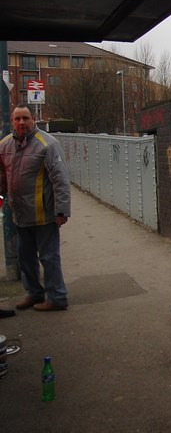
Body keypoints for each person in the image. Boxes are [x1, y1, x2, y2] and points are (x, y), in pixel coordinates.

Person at [0, 104, 71, 312]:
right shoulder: (4, 145)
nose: (21, 123)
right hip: (19, 214)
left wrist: (62, 210)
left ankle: (57, 297)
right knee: (26, 258)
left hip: (44, 214)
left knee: (49, 258)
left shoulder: (47, 144)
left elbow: (60, 179)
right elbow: (2, 178)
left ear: (33, 120)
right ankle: (34, 293)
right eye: (17, 119)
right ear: (12, 121)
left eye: (26, 118)